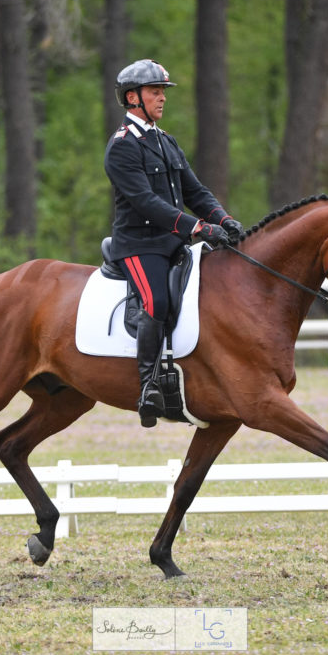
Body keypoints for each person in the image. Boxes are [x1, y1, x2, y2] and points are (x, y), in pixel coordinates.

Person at [104, 59, 244, 428]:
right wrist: (197, 227)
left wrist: (222, 219)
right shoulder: (121, 147)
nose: (162, 98)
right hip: (139, 244)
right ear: (133, 97)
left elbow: (194, 191)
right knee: (157, 300)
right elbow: (147, 203)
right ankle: (148, 386)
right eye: (155, 92)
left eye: (163, 92)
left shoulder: (165, 141)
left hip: (173, 242)